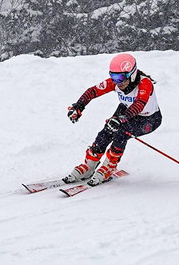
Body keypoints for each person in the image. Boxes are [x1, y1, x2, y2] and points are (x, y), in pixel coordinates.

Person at [64, 53, 162, 186]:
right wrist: (79, 106)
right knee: (106, 131)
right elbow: (93, 91)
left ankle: (109, 166)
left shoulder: (145, 83)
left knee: (122, 132)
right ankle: (89, 165)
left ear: (132, 74)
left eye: (120, 77)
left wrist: (121, 119)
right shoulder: (116, 83)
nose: (117, 82)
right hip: (126, 111)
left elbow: (139, 104)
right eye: (113, 77)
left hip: (149, 119)